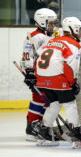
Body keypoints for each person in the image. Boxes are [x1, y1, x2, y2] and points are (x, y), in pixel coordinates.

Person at [34, 17, 81, 146]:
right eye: (79, 30)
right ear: (73, 30)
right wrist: (72, 83)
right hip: (57, 77)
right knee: (70, 104)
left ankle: (44, 131)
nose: (80, 33)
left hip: (41, 78)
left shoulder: (52, 40)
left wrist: (37, 76)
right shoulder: (74, 44)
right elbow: (71, 66)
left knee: (54, 104)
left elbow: (39, 55)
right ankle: (75, 133)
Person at [20, 8, 58, 141]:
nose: (53, 25)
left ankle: (41, 126)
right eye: (50, 23)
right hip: (38, 74)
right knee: (38, 99)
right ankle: (31, 128)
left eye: (54, 23)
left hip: (49, 73)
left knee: (47, 100)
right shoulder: (34, 36)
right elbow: (26, 56)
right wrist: (30, 73)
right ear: (41, 22)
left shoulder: (52, 35)